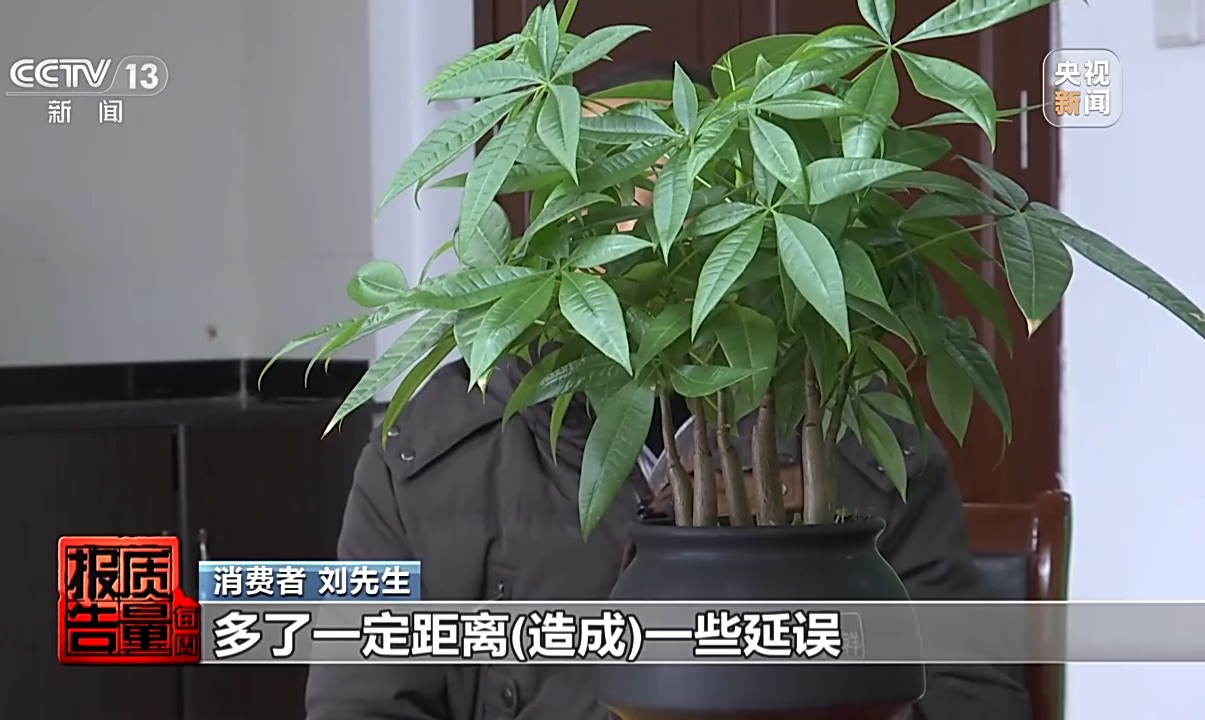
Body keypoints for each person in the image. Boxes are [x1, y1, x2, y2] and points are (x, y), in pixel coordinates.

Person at [306, 59, 1030, 720]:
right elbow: (357, 705)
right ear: (540, 232)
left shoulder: (854, 432)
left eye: (669, 191)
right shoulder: (425, 450)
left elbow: (974, 695)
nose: (635, 235)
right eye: (595, 199)